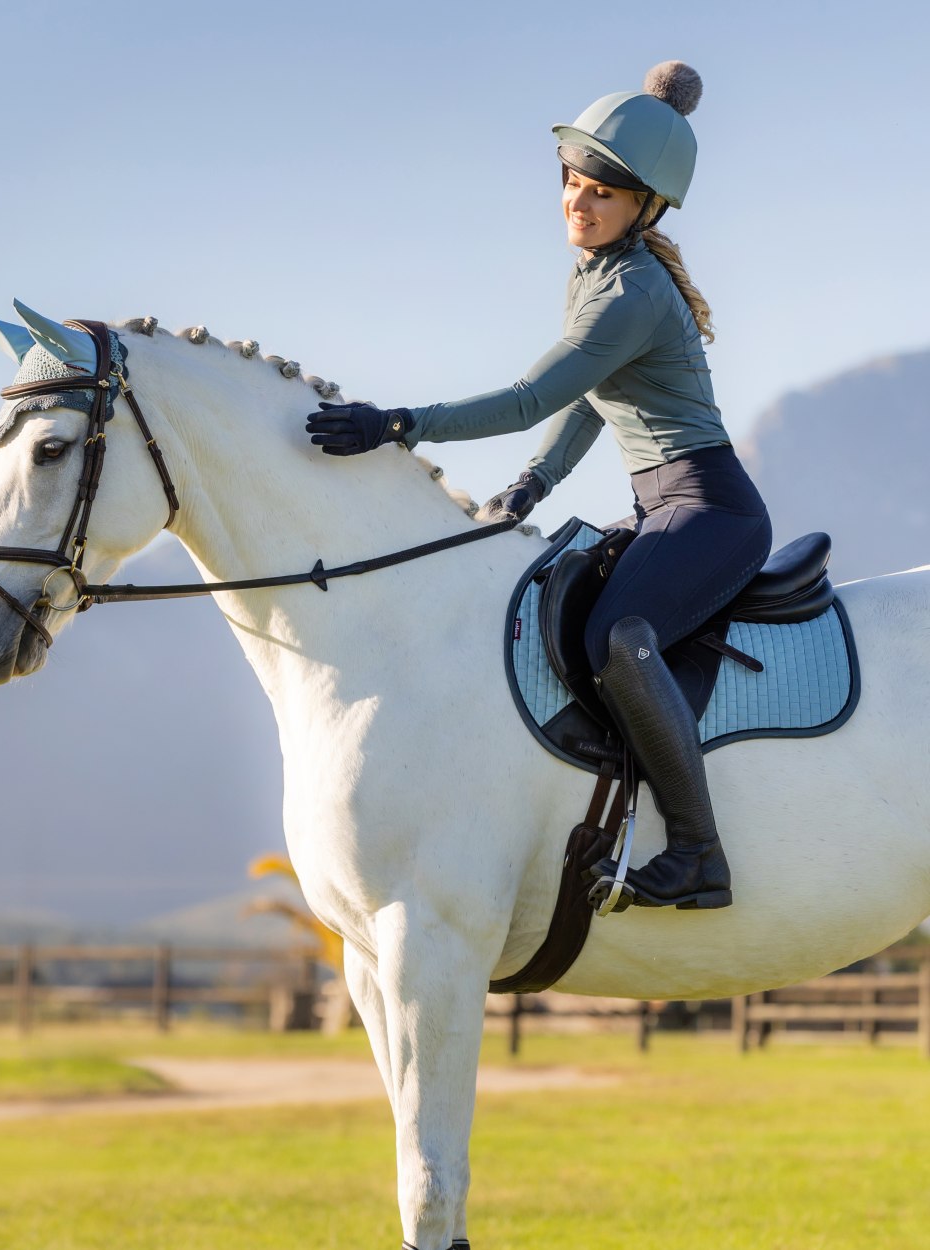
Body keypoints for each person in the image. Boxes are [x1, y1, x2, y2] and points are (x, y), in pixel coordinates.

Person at [305, 62, 772, 913]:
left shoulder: (628, 289)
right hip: (662, 501)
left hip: (712, 508)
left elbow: (531, 399)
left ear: (645, 208)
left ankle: (701, 853)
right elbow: (594, 399)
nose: (579, 203)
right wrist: (529, 487)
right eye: (573, 182)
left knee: (623, 639)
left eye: (602, 194)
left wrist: (396, 423)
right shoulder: (597, 274)